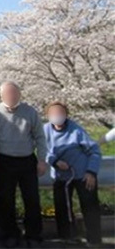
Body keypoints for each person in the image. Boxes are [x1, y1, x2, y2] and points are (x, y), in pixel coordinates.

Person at [0, 81, 47, 248]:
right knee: (5, 200)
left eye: (14, 93)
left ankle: (34, 234)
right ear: (1, 95)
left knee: (32, 199)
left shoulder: (30, 111)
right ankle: (10, 233)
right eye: (7, 94)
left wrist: (42, 159)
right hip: (4, 160)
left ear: (19, 94)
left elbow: (40, 136)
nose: (11, 96)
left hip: (27, 159)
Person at [44, 101, 102, 246]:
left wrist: (91, 172)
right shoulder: (45, 130)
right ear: (48, 116)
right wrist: (55, 161)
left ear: (66, 115)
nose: (57, 116)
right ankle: (66, 237)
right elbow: (43, 150)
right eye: (53, 113)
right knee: (62, 207)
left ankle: (94, 239)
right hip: (60, 175)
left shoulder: (76, 130)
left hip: (83, 174)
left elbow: (94, 151)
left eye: (60, 113)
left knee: (90, 206)